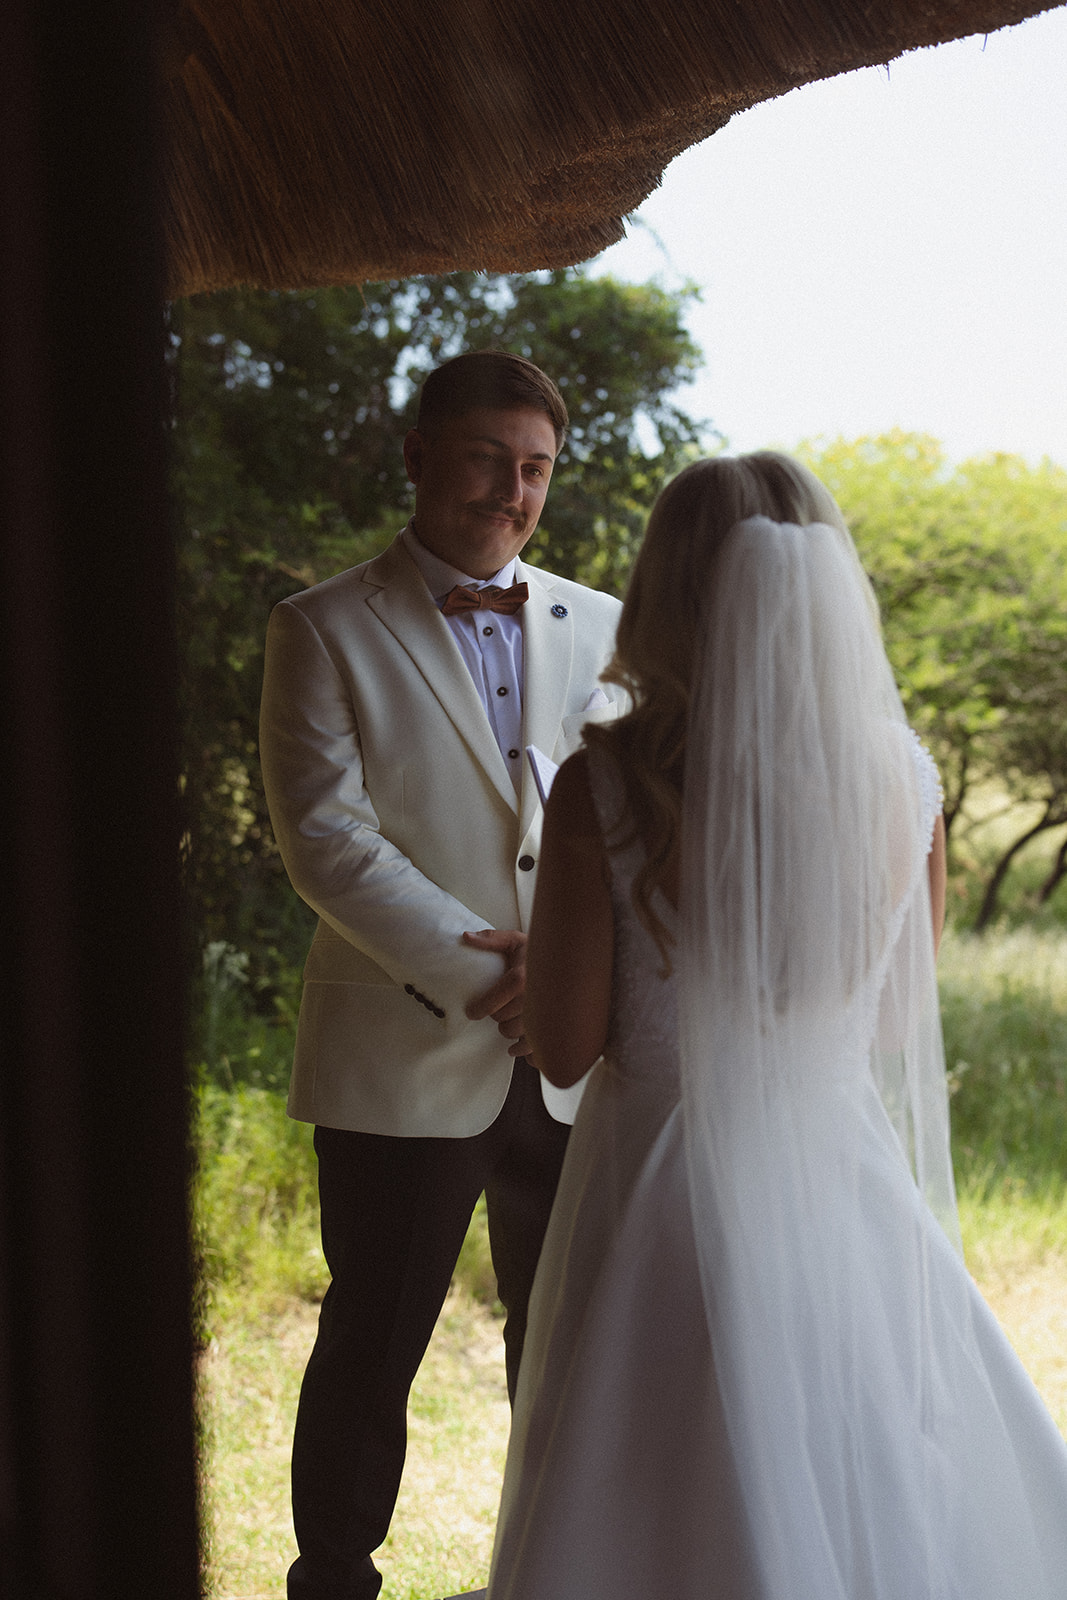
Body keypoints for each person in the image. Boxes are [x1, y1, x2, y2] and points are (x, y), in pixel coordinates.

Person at [487, 452, 1067, 1600]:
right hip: (835, 1174)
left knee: (649, 1486)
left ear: (665, 589)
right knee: (866, 1455)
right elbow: (897, 1021)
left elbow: (559, 1045)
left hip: (660, 1188)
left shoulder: (604, 785)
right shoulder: (900, 780)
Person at [259, 350, 627, 1600]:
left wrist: (574, 979)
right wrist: (494, 974)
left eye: (533, 469)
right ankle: (333, 1579)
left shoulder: (604, 626)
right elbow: (325, 839)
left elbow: (635, 822)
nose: (510, 491)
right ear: (418, 455)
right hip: (406, 1050)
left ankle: (554, 1571)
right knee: (372, 1338)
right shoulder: (319, 625)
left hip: (577, 1057)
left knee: (570, 1337)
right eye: (485, 458)